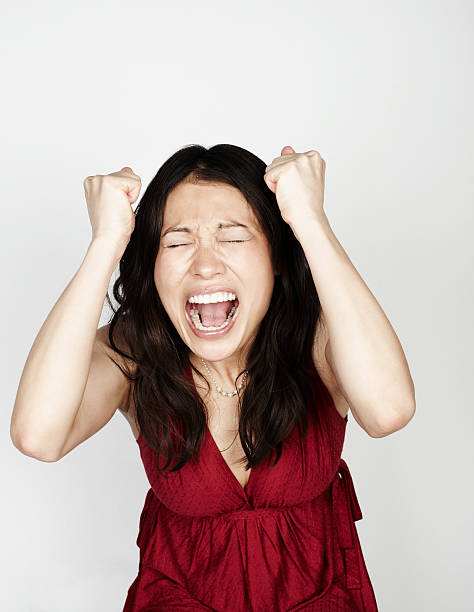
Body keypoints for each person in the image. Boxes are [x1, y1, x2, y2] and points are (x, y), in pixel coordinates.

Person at [11, 143, 415, 611]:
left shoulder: (321, 339)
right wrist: (105, 243)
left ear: (275, 257)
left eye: (234, 237)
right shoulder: (136, 352)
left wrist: (310, 221)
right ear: (153, 265)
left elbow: (389, 411)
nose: (205, 265)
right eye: (178, 242)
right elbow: (38, 436)